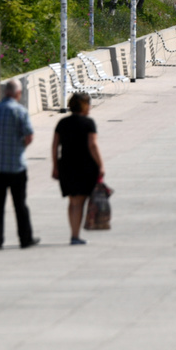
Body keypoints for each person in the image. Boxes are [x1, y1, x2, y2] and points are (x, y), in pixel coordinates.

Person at [0, 80, 40, 250]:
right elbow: (29, 136)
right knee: (20, 204)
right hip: (15, 166)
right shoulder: (20, 111)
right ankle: (25, 238)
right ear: (18, 94)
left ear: (5, 92)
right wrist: (20, 147)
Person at [51, 92, 104, 245]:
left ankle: (74, 233)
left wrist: (55, 166)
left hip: (66, 165)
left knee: (73, 201)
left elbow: (55, 146)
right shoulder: (88, 123)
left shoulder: (62, 122)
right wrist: (101, 164)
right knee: (79, 201)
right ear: (84, 106)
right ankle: (75, 236)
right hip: (84, 166)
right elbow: (92, 145)